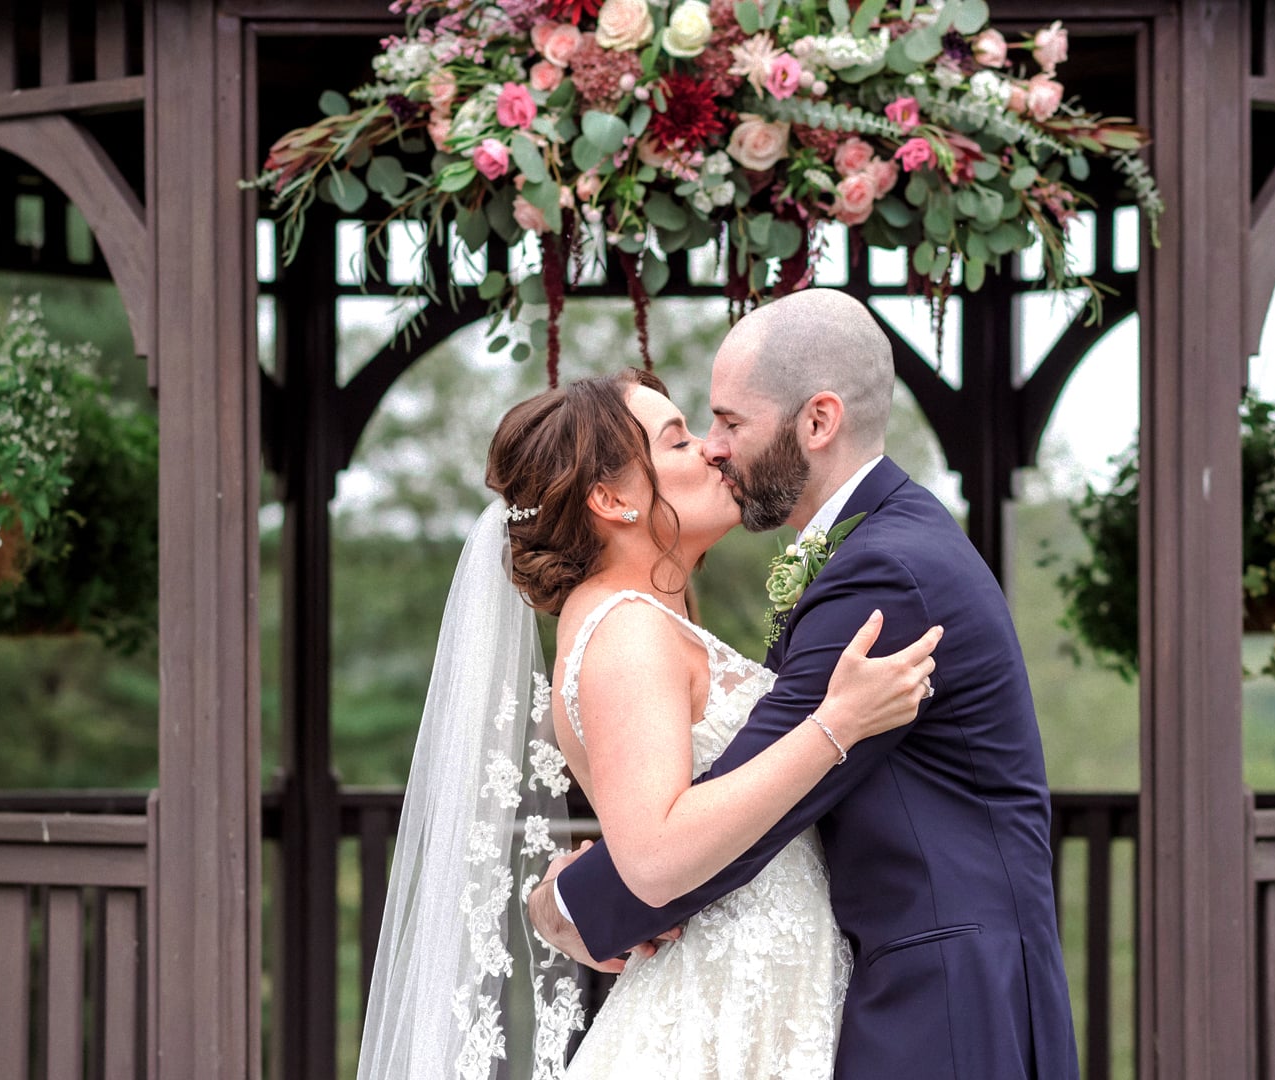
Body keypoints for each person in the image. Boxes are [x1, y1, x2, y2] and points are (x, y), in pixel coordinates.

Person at [529, 288, 1080, 1080]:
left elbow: (738, 803)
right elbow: (728, 801)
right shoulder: (876, 549)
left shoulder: (885, 571)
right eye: (693, 433)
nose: (716, 448)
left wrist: (567, 905)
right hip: (881, 987)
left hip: (944, 998)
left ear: (817, 422)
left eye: (728, 423)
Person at [354, 366, 941, 1080]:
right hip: (719, 1005)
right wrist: (836, 726)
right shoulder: (627, 630)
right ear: (611, 499)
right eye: (678, 441)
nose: (713, 451)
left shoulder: (638, 621)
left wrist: (562, 902)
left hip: (762, 989)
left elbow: (651, 815)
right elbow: (658, 855)